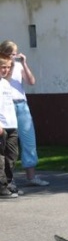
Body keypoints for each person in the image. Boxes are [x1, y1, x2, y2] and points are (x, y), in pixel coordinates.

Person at [0, 40, 48, 187]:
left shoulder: (18, 66)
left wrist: (24, 64)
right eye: (11, 54)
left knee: (29, 139)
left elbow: (31, 81)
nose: (14, 57)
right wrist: (10, 65)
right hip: (7, 106)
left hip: (21, 104)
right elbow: (5, 82)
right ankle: (9, 179)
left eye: (15, 54)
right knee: (8, 144)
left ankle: (31, 176)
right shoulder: (3, 68)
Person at [0, 53, 19, 199]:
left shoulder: (5, 83)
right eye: (2, 67)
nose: (5, 70)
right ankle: (2, 187)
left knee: (12, 155)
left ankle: (8, 182)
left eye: (7, 67)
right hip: (1, 126)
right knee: (1, 157)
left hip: (11, 124)